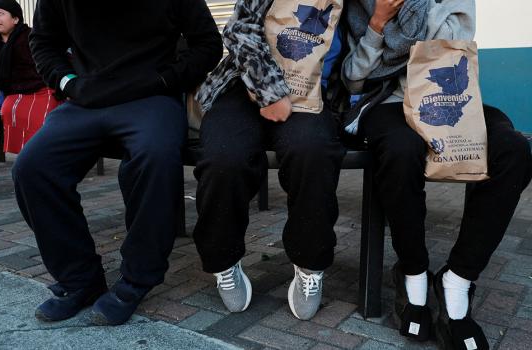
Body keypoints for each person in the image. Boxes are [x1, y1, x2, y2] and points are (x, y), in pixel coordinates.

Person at [12, 0, 223, 326]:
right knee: (33, 167)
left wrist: (166, 80)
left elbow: (208, 43)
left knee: (154, 158)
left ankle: (139, 276)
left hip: (152, 96)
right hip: (87, 98)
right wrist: (67, 83)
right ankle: (80, 279)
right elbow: (43, 41)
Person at [342, 0, 532, 348]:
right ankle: (413, 272)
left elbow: (449, 49)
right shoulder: (360, 5)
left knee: (513, 150)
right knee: (401, 150)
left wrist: (409, 17)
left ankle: (457, 279)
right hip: (388, 102)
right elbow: (354, 79)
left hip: (447, 101)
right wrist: (379, 20)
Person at [194, 0, 349, 320]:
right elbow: (239, 28)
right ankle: (223, 260)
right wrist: (269, 90)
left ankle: (310, 263)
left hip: (312, 88)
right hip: (245, 81)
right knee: (224, 156)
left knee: (313, 151)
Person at [0, 0, 60, 154]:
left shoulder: (32, 37)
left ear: (15, 19)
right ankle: (26, 154)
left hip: (44, 89)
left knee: (43, 116)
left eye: (0, 13)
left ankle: (46, 153)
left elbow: (56, 59)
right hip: (15, 94)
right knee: (8, 108)